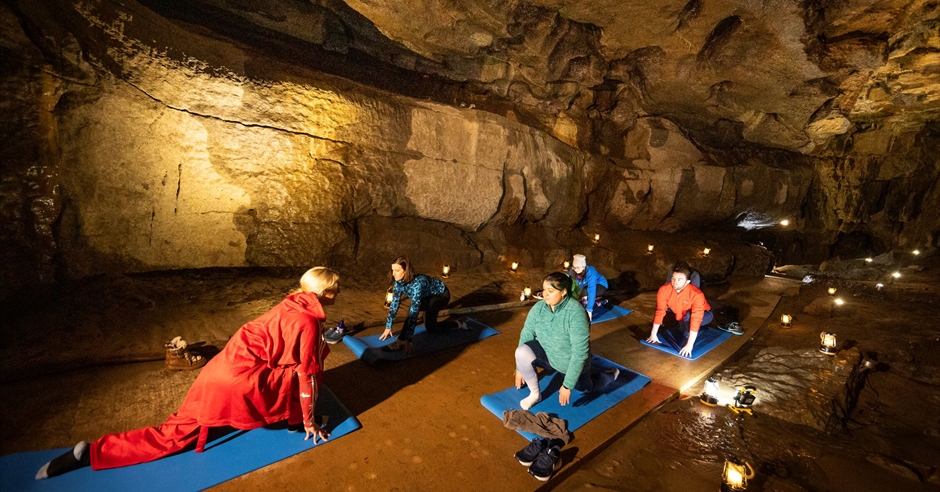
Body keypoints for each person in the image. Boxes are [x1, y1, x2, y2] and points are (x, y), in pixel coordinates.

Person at [36, 267, 341, 480]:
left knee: (171, 432)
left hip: (218, 372)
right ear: (323, 293)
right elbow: (307, 376)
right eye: (335, 289)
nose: (338, 292)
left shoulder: (289, 304)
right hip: (239, 383)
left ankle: (91, 453)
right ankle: (296, 423)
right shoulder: (308, 323)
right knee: (308, 367)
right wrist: (310, 421)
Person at [514, 272, 619, 411]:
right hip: (548, 355)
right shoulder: (538, 308)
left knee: (587, 389)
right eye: (544, 290)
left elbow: (580, 353)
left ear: (563, 292)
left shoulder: (576, 313)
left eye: (550, 291)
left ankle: (611, 375)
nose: (545, 294)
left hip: (569, 363)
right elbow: (526, 334)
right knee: (521, 352)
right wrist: (519, 368)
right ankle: (535, 395)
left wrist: (567, 385)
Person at [380, 256, 461, 356]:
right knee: (432, 328)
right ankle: (457, 324)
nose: (393, 274)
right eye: (393, 270)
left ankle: (400, 341)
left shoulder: (417, 285)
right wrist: (388, 326)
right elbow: (395, 304)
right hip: (427, 296)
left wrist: (409, 339)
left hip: (441, 296)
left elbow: (414, 313)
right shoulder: (398, 283)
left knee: (412, 311)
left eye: (397, 270)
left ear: (406, 271)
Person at [646, 261, 713, 358]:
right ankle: (683, 325)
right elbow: (660, 311)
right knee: (669, 319)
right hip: (681, 315)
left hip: (705, 314)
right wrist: (653, 334)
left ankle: (686, 332)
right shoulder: (664, 290)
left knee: (689, 318)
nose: (675, 282)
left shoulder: (697, 294)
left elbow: (696, 319)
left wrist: (689, 345)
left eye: (680, 279)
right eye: (673, 278)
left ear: (687, 282)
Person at [569, 254, 609, 322]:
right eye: (574, 267)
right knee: (578, 296)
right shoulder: (572, 271)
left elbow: (591, 290)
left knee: (585, 292)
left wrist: (589, 310)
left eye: (578, 267)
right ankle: (600, 303)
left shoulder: (591, 272)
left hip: (600, 285)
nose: (575, 269)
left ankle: (584, 314)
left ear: (583, 266)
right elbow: (572, 285)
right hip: (585, 287)